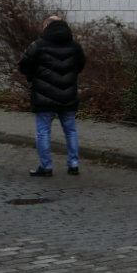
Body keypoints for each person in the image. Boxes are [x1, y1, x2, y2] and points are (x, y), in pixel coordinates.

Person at [18, 15, 85, 177]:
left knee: (43, 132)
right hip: (68, 95)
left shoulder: (38, 45)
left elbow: (24, 65)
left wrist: (32, 77)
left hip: (44, 94)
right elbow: (81, 64)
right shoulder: (75, 46)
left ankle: (46, 167)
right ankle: (74, 164)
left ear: (47, 26)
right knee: (70, 130)